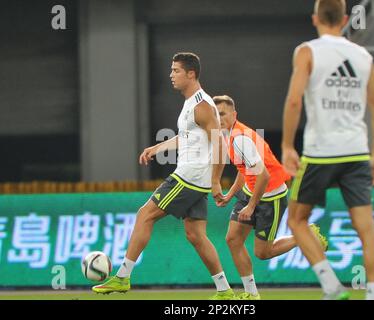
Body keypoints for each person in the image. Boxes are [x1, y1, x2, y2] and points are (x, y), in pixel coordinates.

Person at [93, 52, 236, 300]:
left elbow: (220, 145)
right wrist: (157, 148)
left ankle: (123, 277)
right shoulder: (191, 102)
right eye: (171, 70)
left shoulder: (202, 106)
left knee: (144, 215)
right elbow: (189, 138)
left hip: (189, 176)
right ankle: (225, 290)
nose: (171, 75)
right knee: (196, 235)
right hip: (196, 178)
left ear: (191, 74)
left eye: (176, 71)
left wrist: (215, 182)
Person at [281, 0, 374, 300]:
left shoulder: (307, 51)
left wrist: (288, 145)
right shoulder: (363, 56)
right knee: (366, 228)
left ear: (315, 19)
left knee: (297, 220)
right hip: (356, 152)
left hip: (319, 153)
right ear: (344, 20)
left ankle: (331, 286)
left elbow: (293, 101)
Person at [213, 95, 328, 300]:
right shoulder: (230, 135)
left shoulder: (240, 138)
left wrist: (251, 205)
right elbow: (244, 168)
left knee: (263, 253)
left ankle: (306, 235)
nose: (218, 118)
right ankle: (251, 294)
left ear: (234, 115)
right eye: (216, 114)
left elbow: (263, 175)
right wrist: (231, 194)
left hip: (271, 197)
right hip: (251, 191)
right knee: (232, 239)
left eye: (222, 113)